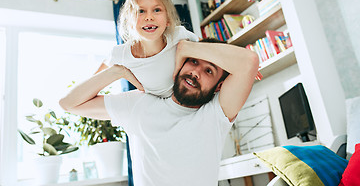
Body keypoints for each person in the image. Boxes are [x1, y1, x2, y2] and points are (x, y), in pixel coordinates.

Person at [59, 38, 260, 186]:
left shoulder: (216, 114)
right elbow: (69, 103)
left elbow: (249, 61)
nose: (196, 72)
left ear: (218, 87)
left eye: (209, 71)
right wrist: (116, 71)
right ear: (181, 63)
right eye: (193, 61)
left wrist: (187, 47)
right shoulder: (139, 105)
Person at [99, 0, 198, 98]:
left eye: (157, 10)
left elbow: (210, 48)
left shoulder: (179, 35)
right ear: (130, 22)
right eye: (141, 11)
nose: (149, 17)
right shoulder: (121, 53)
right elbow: (93, 82)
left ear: (168, 19)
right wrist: (123, 73)